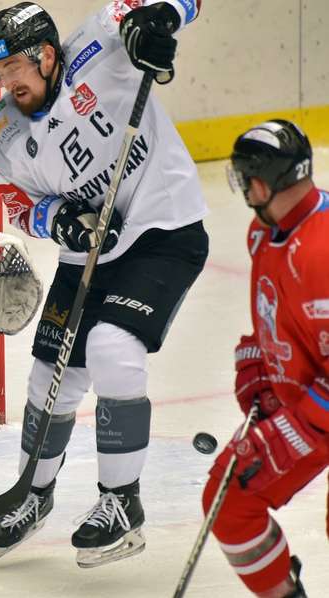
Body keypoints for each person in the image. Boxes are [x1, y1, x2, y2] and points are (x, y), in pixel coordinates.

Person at [0, 1, 209, 566]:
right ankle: (33, 492)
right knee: (49, 377)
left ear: (47, 55)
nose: (4, 86)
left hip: (164, 226)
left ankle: (121, 502)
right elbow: (18, 203)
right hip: (92, 252)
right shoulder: (2, 135)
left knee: (111, 346)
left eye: (12, 71)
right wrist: (56, 219)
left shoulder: (102, 41)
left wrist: (154, 25)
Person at [202, 119, 329, 597]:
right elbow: (271, 315)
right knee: (228, 499)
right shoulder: (266, 233)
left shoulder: (321, 252)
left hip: (318, 414)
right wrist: (258, 369)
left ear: (262, 182)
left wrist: (291, 433)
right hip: (312, 409)